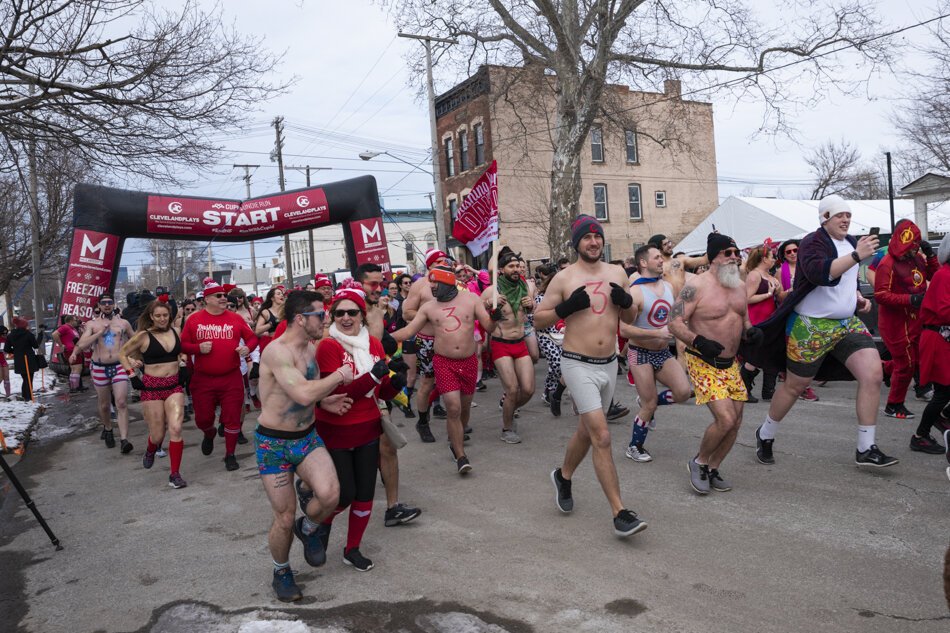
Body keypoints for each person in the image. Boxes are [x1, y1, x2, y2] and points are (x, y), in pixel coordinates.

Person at [748, 195, 897, 468]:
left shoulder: (851, 242)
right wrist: (855, 256)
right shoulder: (811, 244)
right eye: (840, 215)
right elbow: (820, 274)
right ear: (825, 218)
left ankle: (866, 447)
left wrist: (856, 299)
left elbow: (846, 280)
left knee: (873, 374)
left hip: (846, 323)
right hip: (811, 325)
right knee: (795, 386)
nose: (846, 219)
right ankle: (766, 432)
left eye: (848, 215)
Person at [535, 214, 647, 537]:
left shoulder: (617, 273)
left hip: (609, 363)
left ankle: (563, 475)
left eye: (598, 236)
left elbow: (629, 316)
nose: (594, 241)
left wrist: (626, 302)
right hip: (577, 363)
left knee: (586, 430)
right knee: (602, 435)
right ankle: (619, 512)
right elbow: (538, 319)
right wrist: (565, 309)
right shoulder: (564, 278)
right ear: (577, 244)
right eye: (587, 237)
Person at [255, 289, 354, 602]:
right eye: (319, 314)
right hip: (273, 444)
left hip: (307, 437)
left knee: (331, 494)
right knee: (284, 518)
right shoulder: (276, 351)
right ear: (300, 319)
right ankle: (281, 571)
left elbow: (306, 392)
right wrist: (339, 376)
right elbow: (300, 393)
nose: (325, 319)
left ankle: (309, 527)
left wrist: (325, 401)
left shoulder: (311, 347)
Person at [314, 288, 405, 572]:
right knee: (344, 495)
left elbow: (381, 393)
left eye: (352, 312)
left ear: (362, 316)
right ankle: (316, 527)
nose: (345, 317)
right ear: (332, 317)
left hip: (368, 427)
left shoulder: (374, 345)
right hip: (336, 429)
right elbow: (342, 394)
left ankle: (352, 548)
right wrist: (375, 375)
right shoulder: (328, 346)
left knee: (365, 493)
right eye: (339, 313)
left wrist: (396, 382)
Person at [669, 234, 756, 493]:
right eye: (727, 252)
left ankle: (713, 467)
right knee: (726, 419)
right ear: (713, 257)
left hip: (730, 364)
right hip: (703, 360)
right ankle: (699, 461)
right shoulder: (694, 286)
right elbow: (673, 322)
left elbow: (744, 319)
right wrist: (697, 341)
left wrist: (751, 332)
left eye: (736, 252)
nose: (734, 256)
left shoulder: (740, 286)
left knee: (737, 420)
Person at [393, 265, 501, 473]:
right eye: (430, 282)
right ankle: (460, 455)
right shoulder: (428, 308)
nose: (431, 286)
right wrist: (379, 340)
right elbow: (408, 330)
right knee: (452, 407)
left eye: (435, 283)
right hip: (443, 362)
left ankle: (455, 439)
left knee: (464, 409)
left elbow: (488, 327)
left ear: (447, 283)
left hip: (468, 362)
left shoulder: (471, 299)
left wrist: (494, 318)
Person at [355, 263, 422, 527]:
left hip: (377, 387)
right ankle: (310, 487)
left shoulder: (378, 310)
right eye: (372, 283)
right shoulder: (347, 311)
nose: (378, 288)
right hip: (349, 387)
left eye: (380, 283)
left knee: (387, 444)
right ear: (359, 283)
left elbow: (383, 342)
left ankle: (393, 508)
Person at [620, 245, 692, 462]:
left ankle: (647, 403)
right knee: (650, 405)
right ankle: (635, 446)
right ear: (643, 262)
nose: (662, 260)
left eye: (662, 257)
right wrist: (656, 333)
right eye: (657, 257)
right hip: (639, 353)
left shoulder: (669, 287)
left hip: (662, 353)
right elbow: (624, 329)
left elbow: (675, 317)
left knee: (683, 392)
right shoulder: (634, 291)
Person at [180, 279, 259, 471]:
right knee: (203, 419)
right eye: (219, 295)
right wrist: (198, 348)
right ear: (207, 299)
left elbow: (252, 338)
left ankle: (230, 455)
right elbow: (182, 345)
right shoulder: (194, 320)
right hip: (203, 380)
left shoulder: (235, 319)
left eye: (224, 295)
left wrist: (246, 348)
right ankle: (209, 433)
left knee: (232, 417)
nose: (224, 298)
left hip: (231, 377)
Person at [874, 219, 939, 422]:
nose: (910, 252)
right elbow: (881, 295)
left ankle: (882, 368)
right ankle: (894, 404)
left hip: (915, 319)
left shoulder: (916, 258)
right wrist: (910, 299)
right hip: (895, 323)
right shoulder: (887, 264)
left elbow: (934, 276)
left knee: (915, 360)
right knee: (907, 364)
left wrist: (931, 256)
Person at [119, 300, 188, 488]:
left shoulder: (176, 332)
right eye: (158, 315)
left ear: (169, 315)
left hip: (174, 386)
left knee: (175, 428)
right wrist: (132, 375)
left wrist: (183, 364)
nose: (162, 319)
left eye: (165, 315)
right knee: (157, 435)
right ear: (151, 317)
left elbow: (183, 352)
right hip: (152, 388)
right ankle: (151, 449)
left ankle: (175, 475)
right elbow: (122, 353)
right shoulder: (143, 336)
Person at [481, 247, 536, 443]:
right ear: (502, 270)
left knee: (528, 390)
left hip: (520, 342)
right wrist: (488, 304)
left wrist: (531, 305)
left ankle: (508, 406)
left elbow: (532, 312)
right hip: (501, 343)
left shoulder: (526, 287)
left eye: (517, 266)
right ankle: (507, 428)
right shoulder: (492, 290)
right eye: (511, 266)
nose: (516, 269)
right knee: (512, 389)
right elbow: (478, 314)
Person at [401, 249, 455, 442]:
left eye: (445, 260)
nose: (444, 263)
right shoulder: (420, 285)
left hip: (451, 340)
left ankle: (455, 425)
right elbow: (407, 313)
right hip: (427, 341)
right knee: (427, 383)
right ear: (430, 265)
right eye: (439, 261)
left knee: (452, 384)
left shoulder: (452, 282)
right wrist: (429, 315)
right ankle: (423, 422)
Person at [72, 294, 135, 451]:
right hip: (100, 367)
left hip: (119, 365)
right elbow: (81, 344)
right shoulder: (92, 324)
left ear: (114, 304)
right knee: (105, 405)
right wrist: (99, 333)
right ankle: (107, 428)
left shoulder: (123, 323)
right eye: (104, 303)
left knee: (121, 402)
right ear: (99, 306)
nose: (107, 305)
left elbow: (135, 340)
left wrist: (136, 357)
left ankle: (124, 440)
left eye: (110, 302)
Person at [912, 232, 950, 456]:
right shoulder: (944, 275)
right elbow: (944, 311)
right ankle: (920, 436)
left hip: (944, 338)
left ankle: (942, 417)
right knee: (942, 393)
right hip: (938, 339)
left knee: (944, 393)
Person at [740, 244, 786, 403]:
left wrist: (790, 290)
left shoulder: (771, 277)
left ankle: (768, 391)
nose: (774, 259)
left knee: (771, 356)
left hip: (770, 320)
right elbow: (746, 298)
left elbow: (780, 297)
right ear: (764, 259)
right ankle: (743, 389)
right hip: (757, 321)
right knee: (754, 357)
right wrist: (768, 294)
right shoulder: (754, 275)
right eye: (772, 256)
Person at [534, 265, 566, 415]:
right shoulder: (540, 298)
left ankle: (551, 389)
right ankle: (549, 390)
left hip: (563, 335)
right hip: (545, 336)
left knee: (562, 366)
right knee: (557, 363)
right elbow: (533, 318)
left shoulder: (563, 298)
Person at [5, 317, 39, 401]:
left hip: (19, 359)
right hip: (29, 358)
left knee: (25, 378)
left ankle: (26, 395)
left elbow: (6, 349)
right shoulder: (28, 334)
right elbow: (35, 345)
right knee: (29, 378)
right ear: (24, 325)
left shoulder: (11, 335)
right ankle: (28, 397)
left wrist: (15, 351)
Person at [53, 315, 86, 393]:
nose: (76, 321)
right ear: (70, 321)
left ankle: (74, 386)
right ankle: (74, 387)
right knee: (77, 368)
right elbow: (55, 334)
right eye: (75, 320)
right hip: (70, 350)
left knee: (75, 369)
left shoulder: (72, 328)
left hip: (74, 349)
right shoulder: (65, 327)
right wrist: (61, 345)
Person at [255, 285, 286, 353]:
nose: (282, 295)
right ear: (272, 298)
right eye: (278, 294)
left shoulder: (285, 311)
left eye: (282, 294)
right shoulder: (266, 312)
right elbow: (257, 331)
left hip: (284, 343)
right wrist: (271, 323)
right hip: (271, 343)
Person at [0, 325, 10, 399]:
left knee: (6, 377)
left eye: (6, 333)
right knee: (0, 377)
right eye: (3, 334)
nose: (5, 335)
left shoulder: (6, 340)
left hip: (3, 360)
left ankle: (8, 394)